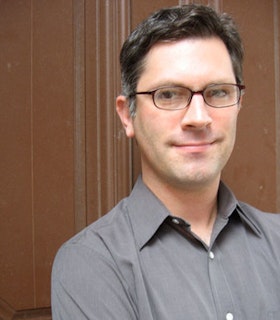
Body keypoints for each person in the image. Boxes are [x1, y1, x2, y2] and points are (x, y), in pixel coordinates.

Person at [51, 4, 280, 320]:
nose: (198, 118)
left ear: (238, 103)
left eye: (218, 92)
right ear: (126, 115)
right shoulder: (90, 264)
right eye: (169, 95)